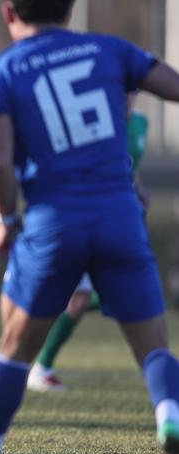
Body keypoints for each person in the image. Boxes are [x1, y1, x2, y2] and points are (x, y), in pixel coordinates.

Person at [0, 0, 179, 454]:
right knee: (153, 347)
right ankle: (169, 415)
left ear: (10, 11)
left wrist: (5, 219)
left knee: (15, 346)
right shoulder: (110, 49)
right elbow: (172, 85)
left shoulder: (0, 71)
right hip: (120, 218)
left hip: (54, 223)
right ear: (70, 7)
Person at [27, 106, 149, 392]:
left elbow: (130, 166)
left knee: (90, 297)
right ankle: (39, 365)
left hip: (122, 218)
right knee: (87, 297)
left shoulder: (141, 123)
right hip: (92, 218)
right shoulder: (97, 120)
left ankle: (40, 364)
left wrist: (139, 190)